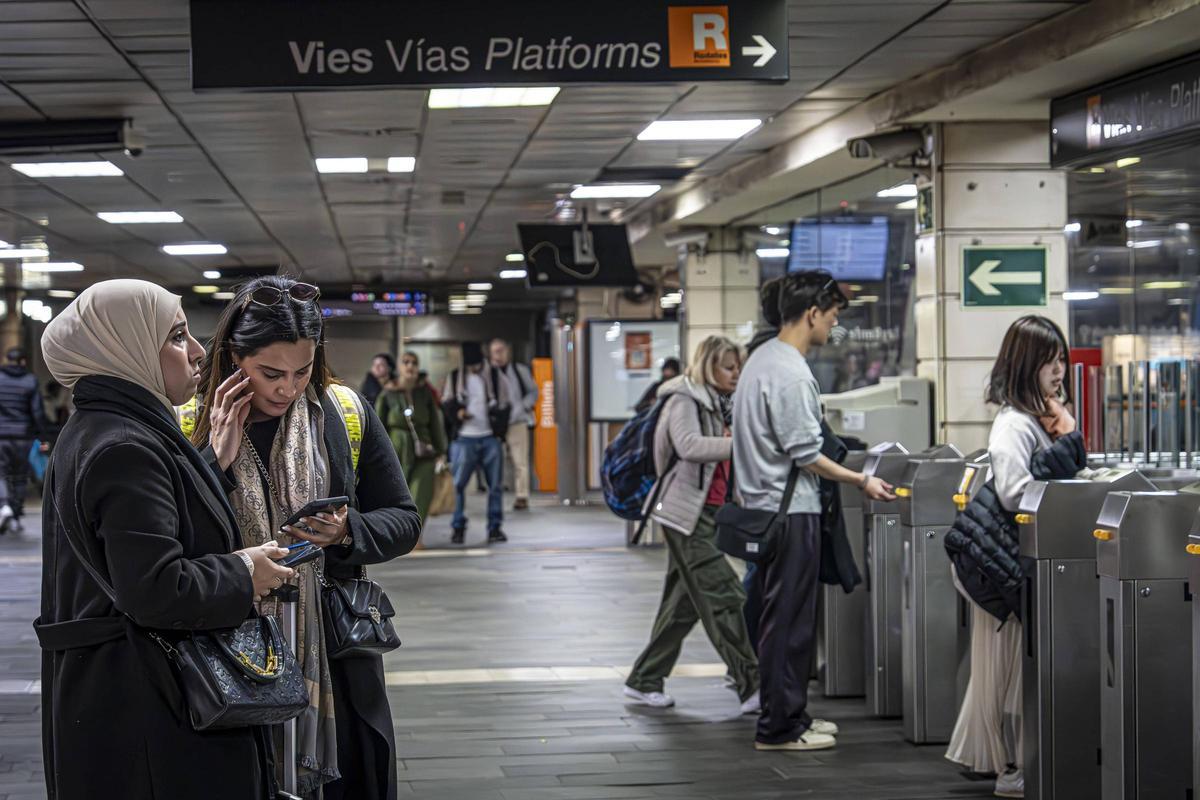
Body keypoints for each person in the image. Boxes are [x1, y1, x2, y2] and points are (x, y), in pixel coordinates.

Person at [34, 279, 291, 799]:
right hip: (149, 705)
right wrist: (245, 570)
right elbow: (155, 587)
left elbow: (148, 531)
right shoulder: (125, 446)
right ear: (123, 348)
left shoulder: (103, 429)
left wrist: (210, 464)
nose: (197, 352)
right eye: (176, 337)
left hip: (115, 695)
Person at [189, 276, 423, 799]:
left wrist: (345, 531)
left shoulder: (342, 411)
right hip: (227, 650)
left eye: (301, 371)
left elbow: (404, 520)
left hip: (333, 652)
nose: (287, 389)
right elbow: (174, 539)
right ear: (231, 357)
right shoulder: (190, 420)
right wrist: (216, 463)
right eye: (270, 372)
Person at [733, 271, 894, 752]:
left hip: (763, 510)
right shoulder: (789, 371)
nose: (836, 322)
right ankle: (778, 728)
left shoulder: (761, 361)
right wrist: (860, 479)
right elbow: (806, 453)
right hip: (789, 514)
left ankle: (790, 716)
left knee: (779, 619)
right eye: (833, 313)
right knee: (788, 623)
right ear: (811, 313)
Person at [945, 315, 1079, 799]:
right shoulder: (1014, 423)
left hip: (1018, 562)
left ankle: (1021, 762)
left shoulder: (1035, 418)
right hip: (1006, 566)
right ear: (1026, 364)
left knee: (1011, 668)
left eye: (1062, 358)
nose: (1059, 369)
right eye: (1049, 360)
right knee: (1007, 671)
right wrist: (1066, 441)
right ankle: (1011, 767)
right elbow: (1015, 492)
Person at [624, 335, 760, 714]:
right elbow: (689, 446)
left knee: (681, 607)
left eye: (738, 367)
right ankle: (752, 684)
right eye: (729, 367)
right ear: (708, 366)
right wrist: (743, 443)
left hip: (708, 511)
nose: (736, 374)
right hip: (685, 515)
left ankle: (644, 680)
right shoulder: (683, 399)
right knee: (723, 594)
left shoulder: (717, 403)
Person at [443, 342, 507, 545]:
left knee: (495, 486)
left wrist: (499, 432)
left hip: (490, 437)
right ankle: (458, 527)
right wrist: (458, 413)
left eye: (476, 364)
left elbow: (505, 404)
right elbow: (446, 404)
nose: (473, 368)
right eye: (470, 365)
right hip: (463, 438)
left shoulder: (495, 376)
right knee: (458, 485)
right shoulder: (455, 377)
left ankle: (495, 527)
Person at [376, 351, 447, 530]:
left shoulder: (425, 393)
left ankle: (416, 535)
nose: (410, 366)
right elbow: (377, 427)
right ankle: (398, 533)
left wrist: (441, 451)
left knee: (421, 493)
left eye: (414, 363)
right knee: (397, 495)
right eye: (405, 362)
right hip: (396, 451)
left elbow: (435, 424)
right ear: (399, 367)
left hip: (424, 451)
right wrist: (376, 456)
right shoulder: (387, 393)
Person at [0, 347, 49, 531]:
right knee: (20, 476)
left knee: (1, 473)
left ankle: (4, 506)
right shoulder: (30, 381)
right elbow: (37, 412)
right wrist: (43, 436)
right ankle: (16, 517)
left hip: (1, 436)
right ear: (23, 361)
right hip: (24, 436)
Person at [489, 338, 537, 510]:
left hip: (517, 421)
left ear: (508, 351)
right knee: (496, 461)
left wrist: (523, 406)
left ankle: (522, 496)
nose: (498, 354)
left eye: (501, 350)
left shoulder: (519, 370)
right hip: (495, 424)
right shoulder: (488, 373)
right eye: (495, 351)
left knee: (520, 460)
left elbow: (533, 391)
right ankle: (496, 493)